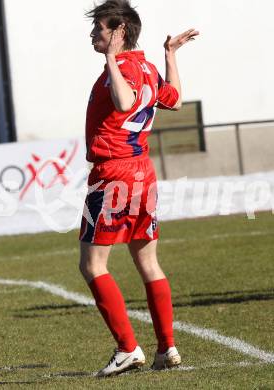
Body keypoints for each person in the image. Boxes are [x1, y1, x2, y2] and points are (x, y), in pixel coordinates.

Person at [79, 0, 199, 377]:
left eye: (99, 29)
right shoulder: (146, 65)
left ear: (119, 32)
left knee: (92, 264)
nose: (92, 35)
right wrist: (169, 55)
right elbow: (175, 100)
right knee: (148, 262)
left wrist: (113, 60)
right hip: (141, 173)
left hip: (113, 174)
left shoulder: (125, 67)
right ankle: (167, 348)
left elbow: (125, 101)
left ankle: (127, 348)